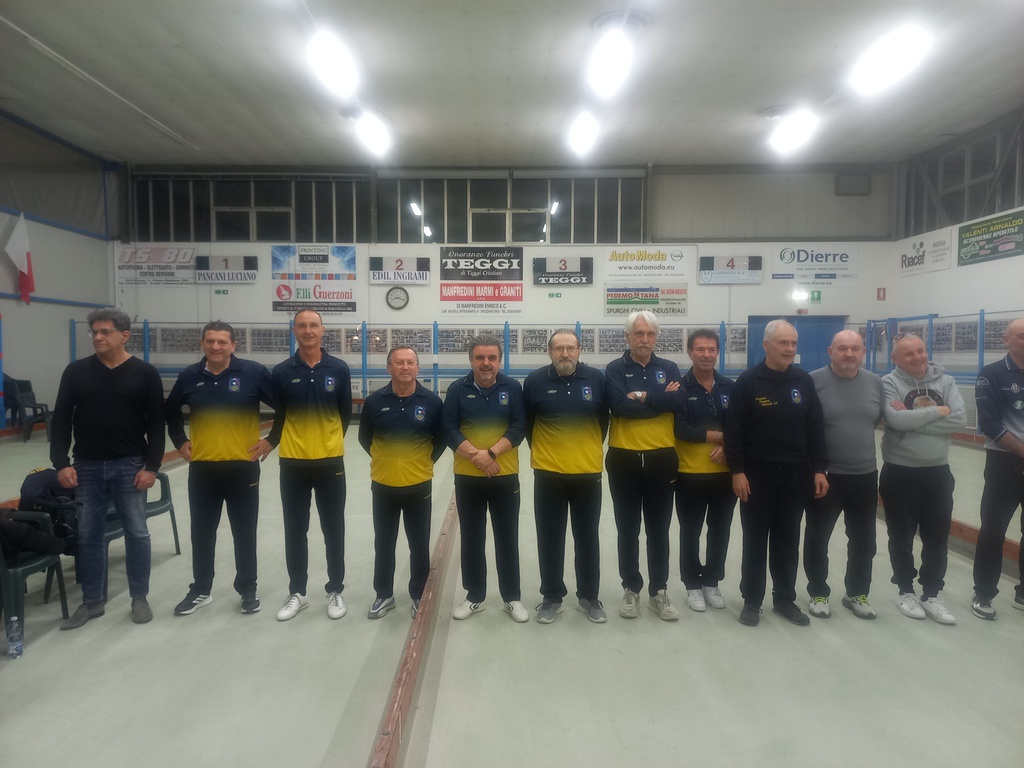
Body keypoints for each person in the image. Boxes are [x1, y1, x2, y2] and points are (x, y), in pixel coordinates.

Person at [50, 308, 165, 629]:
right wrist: (60, 463)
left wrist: (151, 466)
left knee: (137, 532)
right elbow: (61, 420)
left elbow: (156, 424)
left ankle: (139, 597)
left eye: (105, 332)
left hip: (130, 466)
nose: (98, 337)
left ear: (124, 335)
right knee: (89, 534)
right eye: (94, 332)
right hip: (86, 467)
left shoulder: (145, 373)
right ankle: (92, 601)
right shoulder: (76, 372)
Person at [166, 321, 276, 617]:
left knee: (244, 532)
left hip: (243, 467)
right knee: (202, 532)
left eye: (222, 342)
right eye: (210, 341)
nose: (216, 347)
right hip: (203, 469)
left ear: (233, 345)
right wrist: (180, 441)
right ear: (202, 343)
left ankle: (248, 589)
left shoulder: (252, 372)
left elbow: (286, 406)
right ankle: (201, 590)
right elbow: (170, 411)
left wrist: (271, 441)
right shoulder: (190, 376)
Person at [725, 319, 828, 627]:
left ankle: (784, 600)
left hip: (795, 475)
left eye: (793, 343)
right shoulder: (748, 382)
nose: (789, 348)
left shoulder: (803, 381)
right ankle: (752, 601)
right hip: (756, 475)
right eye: (783, 343)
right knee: (755, 539)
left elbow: (815, 429)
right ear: (766, 345)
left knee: (787, 539)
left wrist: (819, 469)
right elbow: (734, 432)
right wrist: (737, 471)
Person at [266, 309, 352, 622]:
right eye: (301, 325)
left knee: (334, 528)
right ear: (294, 331)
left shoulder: (338, 368)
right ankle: (298, 592)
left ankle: (335, 589)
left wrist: (328, 441)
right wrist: (272, 442)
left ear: (322, 330)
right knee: (295, 529)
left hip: (330, 461)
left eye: (313, 325)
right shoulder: (281, 371)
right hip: (292, 462)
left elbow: (344, 413)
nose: (307, 330)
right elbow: (280, 415)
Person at [523, 329, 609, 624]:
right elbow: (529, 424)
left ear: (579, 350)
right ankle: (551, 597)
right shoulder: (535, 381)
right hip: (548, 474)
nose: (565, 353)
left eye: (570, 348)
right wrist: (548, 454)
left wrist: (584, 450)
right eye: (559, 348)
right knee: (549, 538)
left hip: (587, 473)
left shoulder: (596, 379)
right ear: (549, 352)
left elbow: (603, 421)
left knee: (587, 538)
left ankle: (589, 597)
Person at [879, 333, 965, 625]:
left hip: (938, 472)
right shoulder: (888, 382)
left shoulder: (947, 381)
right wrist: (939, 411)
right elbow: (895, 420)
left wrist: (912, 420)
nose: (917, 357)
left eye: (920, 351)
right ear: (895, 359)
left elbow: (960, 419)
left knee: (937, 538)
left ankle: (931, 594)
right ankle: (905, 590)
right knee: (901, 537)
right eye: (909, 354)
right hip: (900, 472)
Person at [441, 335, 528, 623]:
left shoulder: (512, 387)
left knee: (507, 538)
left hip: (505, 476)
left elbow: (519, 426)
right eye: (480, 357)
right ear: (471, 360)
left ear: (500, 361)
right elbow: (448, 429)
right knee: (472, 539)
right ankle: (474, 596)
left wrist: (490, 454)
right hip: (468, 478)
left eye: (492, 358)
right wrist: (477, 458)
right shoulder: (457, 389)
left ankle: (512, 597)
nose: (486, 363)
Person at [649, 328, 736, 613]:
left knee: (720, 530)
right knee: (690, 531)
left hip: (724, 474)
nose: (706, 354)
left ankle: (711, 581)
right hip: (689, 475)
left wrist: (728, 445)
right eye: (700, 349)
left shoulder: (729, 387)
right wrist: (720, 437)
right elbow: (682, 429)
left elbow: (739, 425)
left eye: (711, 349)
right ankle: (692, 585)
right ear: (690, 352)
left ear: (718, 352)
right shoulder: (680, 388)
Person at [605, 310, 681, 621]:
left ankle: (659, 590)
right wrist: (659, 400)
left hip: (662, 458)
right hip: (623, 458)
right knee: (628, 529)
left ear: (656, 337)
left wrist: (641, 395)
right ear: (627, 337)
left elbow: (678, 402)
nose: (644, 339)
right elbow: (619, 407)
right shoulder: (614, 369)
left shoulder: (669, 367)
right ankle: (631, 589)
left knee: (659, 530)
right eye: (638, 333)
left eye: (650, 334)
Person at [358, 345, 444, 619]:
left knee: (419, 544)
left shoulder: (432, 401)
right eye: (399, 362)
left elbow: (441, 439)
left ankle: (418, 593)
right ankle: (384, 594)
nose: (405, 367)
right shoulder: (374, 401)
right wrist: (388, 460)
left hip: (418, 485)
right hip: (383, 485)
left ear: (418, 367)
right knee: (384, 542)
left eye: (410, 362)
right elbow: (364, 438)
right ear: (389, 368)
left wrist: (419, 462)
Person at [804, 330, 885, 619]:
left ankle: (857, 593)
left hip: (864, 475)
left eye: (855, 348)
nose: (849, 353)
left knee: (864, 540)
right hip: (825, 476)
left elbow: (874, 420)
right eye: (842, 348)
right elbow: (805, 427)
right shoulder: (813, 382)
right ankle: (818, 592)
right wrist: (816, 469)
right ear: (831, 351)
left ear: (863, 351)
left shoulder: (875, 383)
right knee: (817, 537)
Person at [971, 318, 1024, 619]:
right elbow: (990, 425)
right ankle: (983, 593)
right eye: (1022, 336)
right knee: (993, 529)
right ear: (1007, 340)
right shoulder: (991, 374)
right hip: (1004, 463)